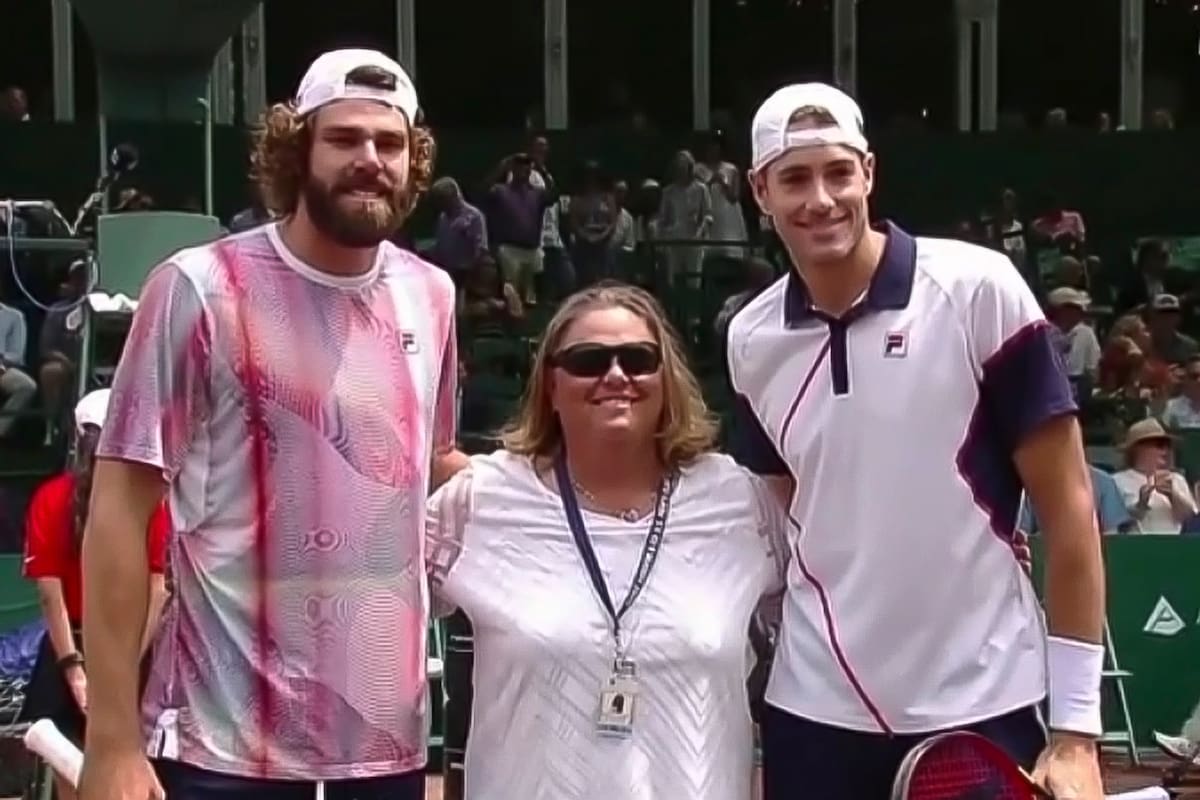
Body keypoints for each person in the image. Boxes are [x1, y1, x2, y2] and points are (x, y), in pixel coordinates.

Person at [79, 49, 466, 800]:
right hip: (222, 748)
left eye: (389, 145)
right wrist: (112, 742)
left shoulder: (434, 295)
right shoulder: (197, 287)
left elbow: (432, 464)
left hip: (384, 750)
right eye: (344, 139)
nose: (369, 161)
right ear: (298, 150)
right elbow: (121, 511)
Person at [727, 83, 1106, 800]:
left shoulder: (976, 288)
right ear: (759, 191)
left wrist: (1078, 732)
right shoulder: (750, 340)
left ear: (868, 172)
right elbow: (781, 517)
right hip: (813, 709)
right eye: (795, 178)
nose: (821, 199)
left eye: (838, 172)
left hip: (981, 701)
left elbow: (1070, 508)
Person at [425, 283, 789, 800]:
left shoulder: (740, 503)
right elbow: (373, 608)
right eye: (588, 360)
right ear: (550, 383)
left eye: (639, 359)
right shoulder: (480, 501)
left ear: (667, 378)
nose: (616, 376)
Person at [18, 389, 170, 800]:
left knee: (72, 765)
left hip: (77, 648)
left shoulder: (49, 497)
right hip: (133, 649)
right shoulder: (153, 502)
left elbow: (51, 597)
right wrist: (120, 667)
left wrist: (76, 670)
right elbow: (159, 591)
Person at [1111, 418, 1195, 534]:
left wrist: (1173, 495)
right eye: (1159, 445)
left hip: (1175, 546)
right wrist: (1141, 504)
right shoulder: (1116, 481)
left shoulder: (1177, 479)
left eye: (1167, 445)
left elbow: (1190, 519)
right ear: (1138, 449)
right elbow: (1115, 523)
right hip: (1135, 547)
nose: (1165, 450)